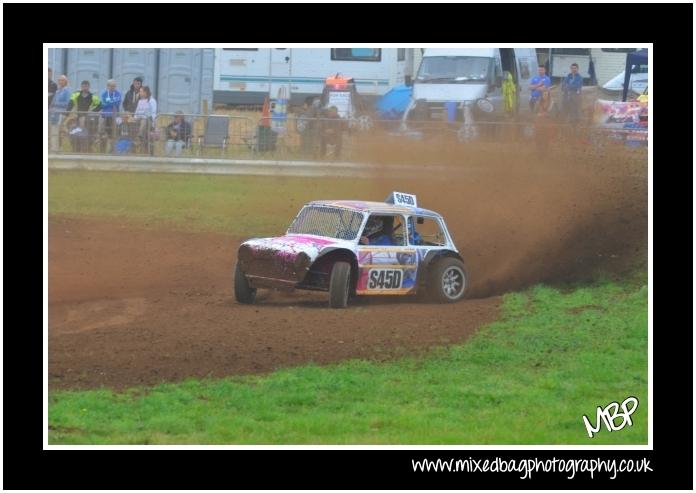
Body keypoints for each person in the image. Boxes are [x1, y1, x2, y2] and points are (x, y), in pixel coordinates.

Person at [66, 80, 102, 152]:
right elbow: (70, 103)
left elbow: (100, 105)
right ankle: (75, 149)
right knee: (75, 133)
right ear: (81, 87)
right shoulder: (76, 94)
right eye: (83, 86)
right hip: (77, 117)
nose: (84, 88)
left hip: (87, 119)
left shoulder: (93, 96)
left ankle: (88, 148)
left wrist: (92, 112)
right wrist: (67, 113)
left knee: (87, 134)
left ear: (89, 87)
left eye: (86, 86)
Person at [97, 79, 122, 152]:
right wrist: (111, 103)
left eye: (114, 86)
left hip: (114, 117)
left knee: (112, 135)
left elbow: (117, 103)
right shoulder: (104, 94)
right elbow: (102, 104)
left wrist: (108, 103)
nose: (113, 87)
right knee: (102, 134)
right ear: (108, 86)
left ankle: (113, 150)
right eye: (111, 86)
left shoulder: (118, 94)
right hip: (104, 116)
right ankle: (102, 151)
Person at [49, 75, 71, 152]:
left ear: (66, 82)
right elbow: (52, 103)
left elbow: (67, 103)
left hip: (61, 113)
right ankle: (54, 148)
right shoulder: (57, 91)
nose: (60, 82)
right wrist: (51, 108)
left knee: (58, 132)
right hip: (54, 114)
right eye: (59, 80)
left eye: (62, 80)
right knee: (53, 131)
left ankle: (57, 149)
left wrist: (56, 104)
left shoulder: (67, 91)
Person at [133, 85, 158, 154]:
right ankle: (133, 141)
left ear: (145, 92)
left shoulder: (152, 101)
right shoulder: (140, 101)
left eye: (141, 92)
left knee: (144, 120)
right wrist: (134, 118)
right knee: (132, 121)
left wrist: (145, 114)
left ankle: (139, 138)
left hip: (149, 121)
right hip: (140, 119)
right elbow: (137, 112)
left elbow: (153, 113)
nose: (140, 93)